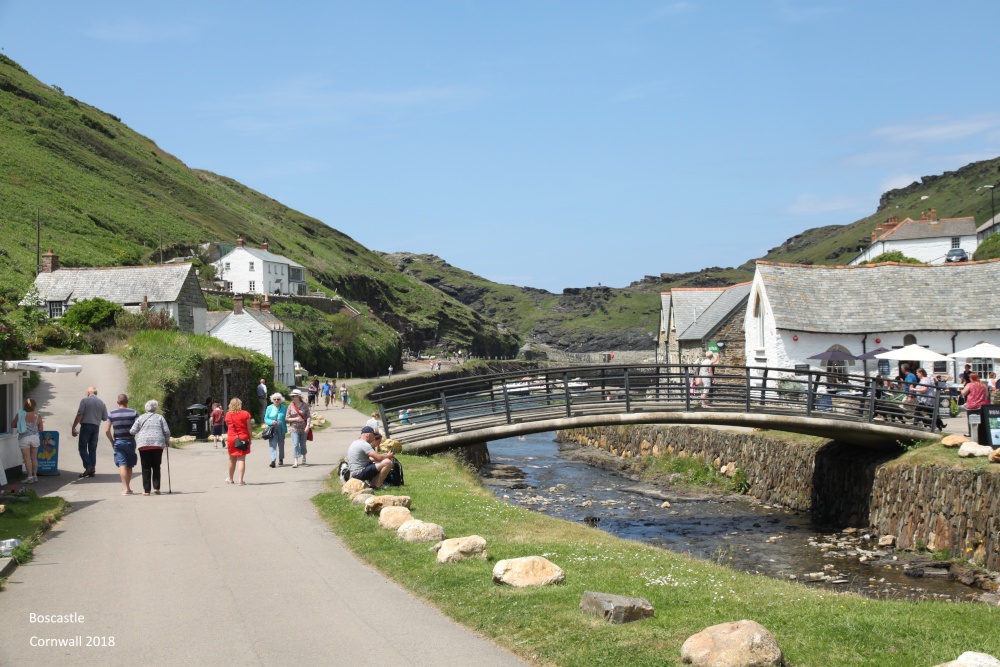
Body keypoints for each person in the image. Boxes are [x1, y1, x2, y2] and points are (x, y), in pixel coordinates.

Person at [130, 399, 171, 495]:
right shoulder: (160, 417)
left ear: (146, 407)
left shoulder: (141, 418)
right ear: (155, 408)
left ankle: (147, 490)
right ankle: (156, 488)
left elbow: (132, 431)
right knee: (156, 466)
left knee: (145, 467)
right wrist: (167, 441)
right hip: (157, 444)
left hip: (144, 444)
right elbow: (167, 431)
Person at [71, 386, 108, 478]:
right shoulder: (102, 403)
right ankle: (91, 470)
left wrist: (73, 427)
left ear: (88, 393)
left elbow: (80, 414)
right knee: (92, 448)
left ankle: (88, 466)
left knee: (82, 447)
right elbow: (105, 417)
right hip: (96, 427)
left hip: (86, 426)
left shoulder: (85, 401)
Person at [106, 394, 138, 495]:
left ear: (117, 402)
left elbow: (107, 430)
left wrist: (112, 441)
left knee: (122, 465)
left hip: (118, 441)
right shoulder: (133, 413)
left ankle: (126, 488)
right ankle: (128, 487)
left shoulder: (111, 413)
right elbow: (138, 427)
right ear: (127, 402)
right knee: (129, 465)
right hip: (130, 441)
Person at [11, 398, 43, 483]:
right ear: (34, 406)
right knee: (34, 458)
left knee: (27, 459)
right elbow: (41, 429)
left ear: (25, 406)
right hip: (35, 438)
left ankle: (29, 477)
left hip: (24, 438)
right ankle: (35, 476)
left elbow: (13, 425)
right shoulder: (38, 416)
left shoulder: (20, 415)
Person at [225, 398, 253, 485]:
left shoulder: (228, 414)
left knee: (231, 460)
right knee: (241, 459)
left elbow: (228, 425)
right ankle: (240, 480)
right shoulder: (245, 414)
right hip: (243, 438)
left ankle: (231, 479)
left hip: (232, 438)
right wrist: (250, 438)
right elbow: (249, 427)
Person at [286, 389, 311, 468]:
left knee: (303, 444)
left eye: (293, 396)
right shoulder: (290, 406)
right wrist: (295, 419)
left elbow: (308, 416)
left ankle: (304, 456)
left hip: (303, 428)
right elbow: (286, 418)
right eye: (291, 396)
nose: (292, 397)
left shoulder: (304, 405)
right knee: (296, 444)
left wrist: (308, 426)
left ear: (298, 396)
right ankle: (296, 461)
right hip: (294, 428)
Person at [960, 372, 990, 438]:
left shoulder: (969, 385)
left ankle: (971, 433)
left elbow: (964, 393)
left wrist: (960, 390)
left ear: (971, 378)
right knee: (981, 420)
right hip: (981, 405)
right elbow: (987, 395)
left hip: (971, 405)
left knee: (971, 420)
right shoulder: (983, 385)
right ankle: (981, 433)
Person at [264, 392, 287, 468]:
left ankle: (281, 458)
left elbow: (286, 417)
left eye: (278, 399)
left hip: (281, 428)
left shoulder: (284, 407)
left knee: (281, 444)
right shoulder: (269, 407)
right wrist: (271, 422)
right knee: (273, 444)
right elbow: (265, 418)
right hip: (272, 428)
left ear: (281, 400)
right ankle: (273, 460)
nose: (276, 400)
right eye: (275, 399)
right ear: (272, 400)